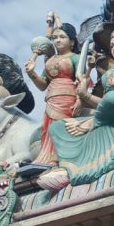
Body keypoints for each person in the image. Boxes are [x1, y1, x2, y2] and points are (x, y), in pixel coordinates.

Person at [47, 21, 114, 186]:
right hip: (107, 112)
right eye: (112, 44)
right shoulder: (109, 73)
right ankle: (69, 168)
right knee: (55, 127)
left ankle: (93, 123)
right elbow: (102, 103)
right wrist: (85, 95)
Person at [25, 23, 80, 164]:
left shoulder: (75, 58)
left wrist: (80, 99)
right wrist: (32, 73)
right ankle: (48, 156)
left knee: (62, 126)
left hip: (68, 97)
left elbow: (82, 80)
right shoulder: (50, 60)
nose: (58, 40)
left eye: (62, 37)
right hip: (51, 97)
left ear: (72, 42)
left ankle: (61, 156)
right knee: (48, 128)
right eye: (55, 37)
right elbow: (43, 85)